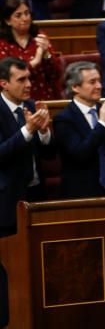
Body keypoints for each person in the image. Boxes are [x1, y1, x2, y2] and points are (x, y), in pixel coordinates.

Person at [54, 61, 105, 197]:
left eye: (99, 81)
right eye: (92, 82)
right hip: (82, 195)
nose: (99, 86)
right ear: (75, 87)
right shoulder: (64, 119)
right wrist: (102, 123)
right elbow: (80, 154)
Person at [0, 57, 52, 236]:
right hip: (7, 201)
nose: (29, 84)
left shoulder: (31, 106)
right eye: (21, 80)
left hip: (36, 193)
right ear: (4, 83)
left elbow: (49, 155)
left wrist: (44, 133)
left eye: (29, 78)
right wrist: (28, 130)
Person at [0, 0, 61, 100]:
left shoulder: (40, 37)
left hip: (45, 96)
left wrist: (47, 55)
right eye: (18, 15)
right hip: (16, 99)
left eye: (27, 13)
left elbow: (56, 74)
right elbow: (6, 76)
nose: (25, 18)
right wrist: (35, 62)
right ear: (8, 21)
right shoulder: (2, 43)